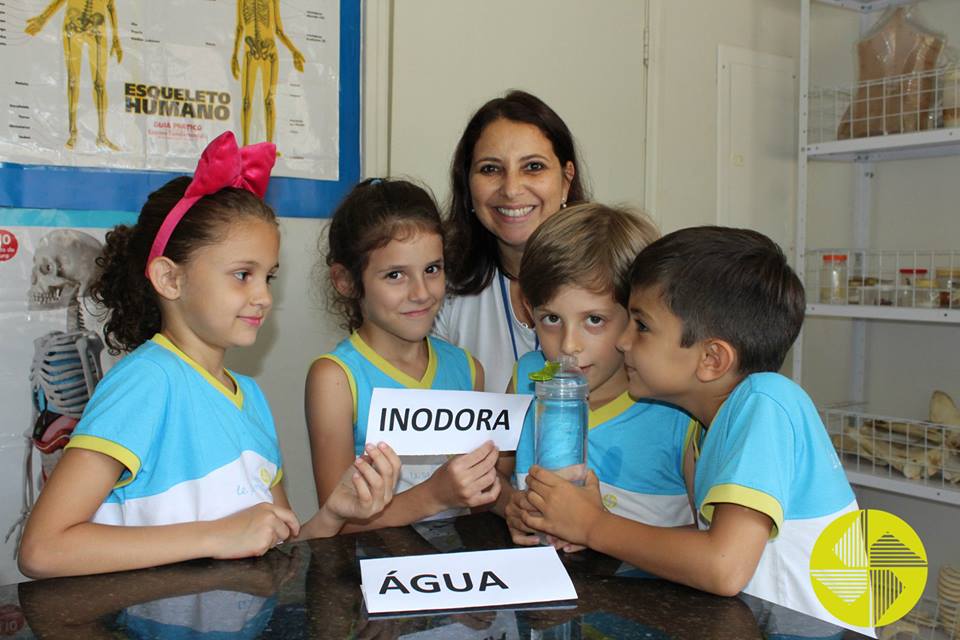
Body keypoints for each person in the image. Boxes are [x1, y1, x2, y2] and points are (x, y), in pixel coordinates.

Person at [18, 132, 401, 579]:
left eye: (268, 278)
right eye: (242, 275)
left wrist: (335, 513)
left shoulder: (252, 398)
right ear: (169, 279)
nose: (262, 297)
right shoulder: (146, 383)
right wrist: (216, 535)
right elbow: (42, 550)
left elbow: (274, 546)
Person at [521, 227, 860, 630]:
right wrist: (588, 519)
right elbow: (701, 544)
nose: (624, 341)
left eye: (642, 326)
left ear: (712, 359)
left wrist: (594, 526)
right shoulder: (712, 425)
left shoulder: (766, 402)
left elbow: (723, 566)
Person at [495, 204, 694, 549]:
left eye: (595, 320)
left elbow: (713, 539)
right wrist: (509, 505)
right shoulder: (528, 376)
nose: (569, 345)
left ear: (637, 315)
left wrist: (599, 529)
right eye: (551, 319)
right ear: (530, 310)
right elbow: (495, 478)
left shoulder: (678, 410)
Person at [306, 178, 500, 531]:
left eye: (432, 269)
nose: (422, 292)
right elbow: (337, 525)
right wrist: (435, 495)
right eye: (395, 275)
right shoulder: (336, 379)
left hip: (454, 573)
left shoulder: (468, 370)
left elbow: (476, 509)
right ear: (346, 280)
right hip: (370, 574)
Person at [434, 90, 588, 392]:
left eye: (533, 166)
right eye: (491, 169)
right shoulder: (439, 287)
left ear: (566, 180)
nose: (512, 189)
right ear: (467, 184)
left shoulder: (613, 281)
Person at [25, 0, 123, 150]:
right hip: (73, 27)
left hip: (96, 29)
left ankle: (102, 135)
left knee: (100, 84)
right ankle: (73, 133)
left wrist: (116, 39)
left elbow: (111, 6)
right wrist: (42, 19)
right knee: (73, 81)